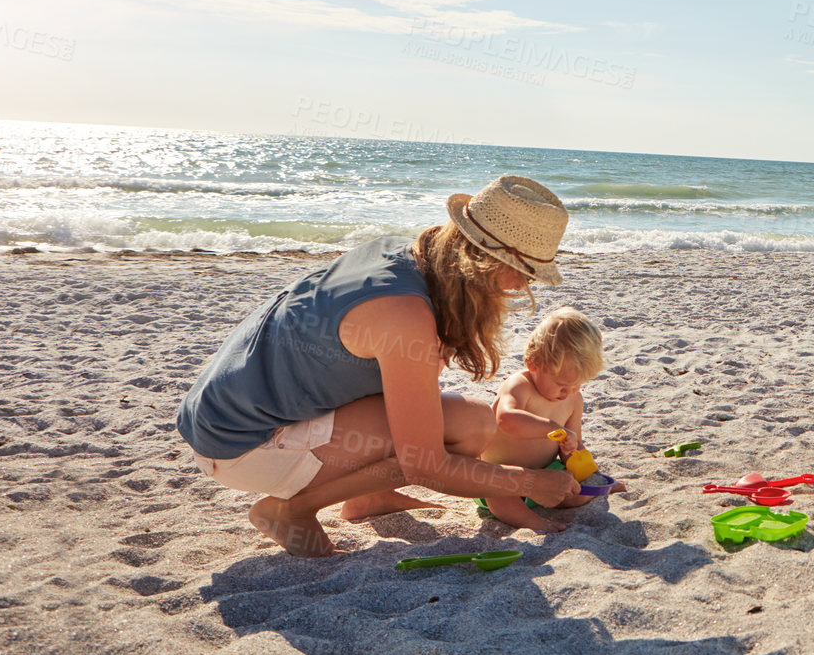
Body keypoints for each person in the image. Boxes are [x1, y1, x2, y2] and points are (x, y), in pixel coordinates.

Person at [177, 174, 584, 557]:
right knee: (464, 429)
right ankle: (290, 509)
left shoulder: (404, 255)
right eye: (524, 273)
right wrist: (529, 482)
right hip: (240, 446)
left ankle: (367, 495)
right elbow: (425, 464)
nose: (520, 287)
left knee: (458, 420)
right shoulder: (406, 315)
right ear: (491, 263)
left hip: (216, 415)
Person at [475, 306, 625, 532]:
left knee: (574, 492)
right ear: (533, 363)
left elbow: (574, 447)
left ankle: (598, 490)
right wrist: (549, 427)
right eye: (562, 384)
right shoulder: (520, 385)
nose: (569, 391)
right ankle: (533, 522)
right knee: (498, 493)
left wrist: (572, 451)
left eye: (577, 384)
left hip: (545, 476)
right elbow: (506, 418)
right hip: (502, 474)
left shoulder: (573, 399)